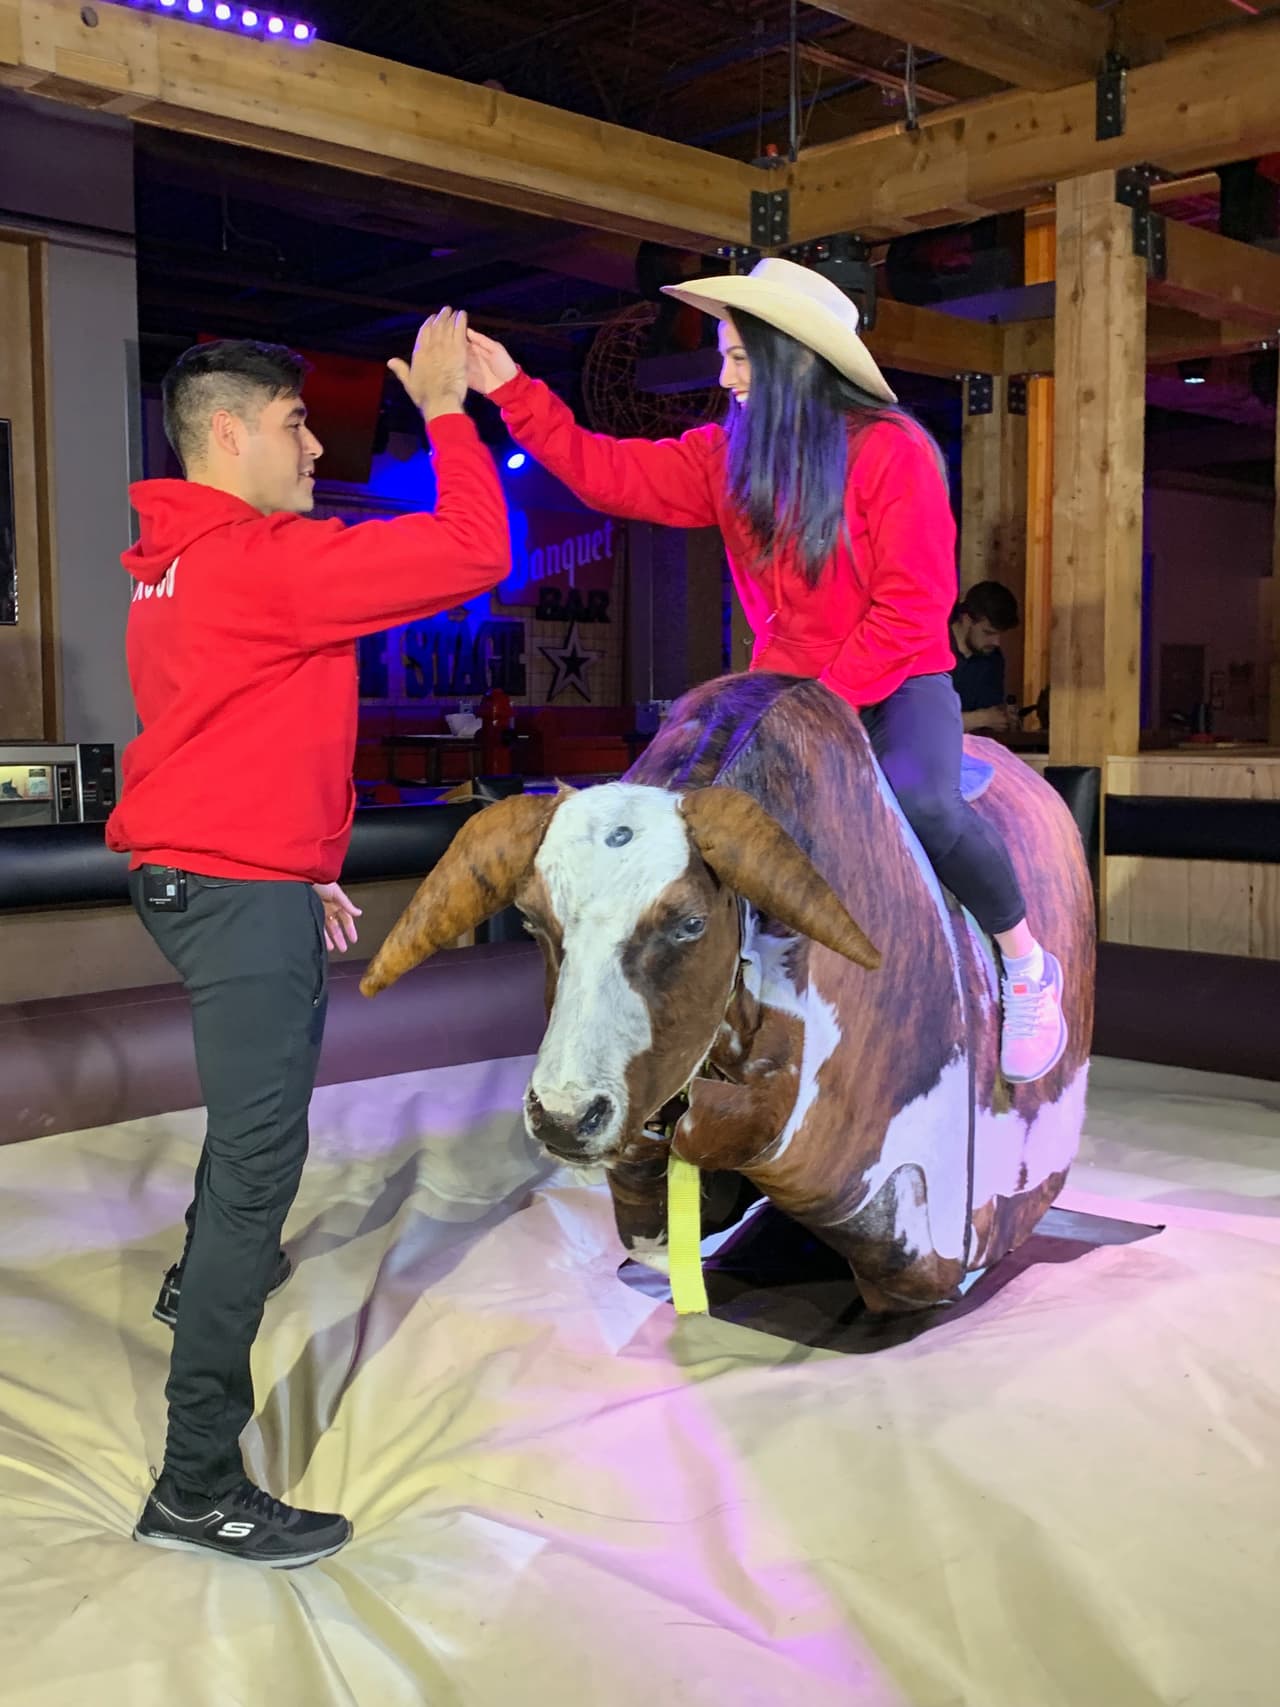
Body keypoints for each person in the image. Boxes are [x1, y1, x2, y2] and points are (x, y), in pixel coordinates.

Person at [106, 311, 511, 1567]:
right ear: (229, 434)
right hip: (233, 895)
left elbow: (237, 722)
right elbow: (475, 546)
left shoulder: (172, 565)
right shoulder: (261, 561)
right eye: (295, 424)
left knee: (244, 1138)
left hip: (203, 875)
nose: (318, 446)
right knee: (257, 1172)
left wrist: (304, 862)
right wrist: (444, 412)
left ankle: (194, 1282)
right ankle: (194, 1485)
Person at [464, 257, 1067, 1087]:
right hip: (782, 692)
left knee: (924, 799)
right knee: (692, 821)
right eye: (725, 355)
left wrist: (821, 709)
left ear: (795, 359)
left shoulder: (892, 452)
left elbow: (911, 607)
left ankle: (1026, 962)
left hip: (896, 680)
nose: (725, 376)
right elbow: (610, 472)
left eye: (741, 357)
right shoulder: (727, 457)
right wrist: (513, 391)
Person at [950, 580, 1021, 734]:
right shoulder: (933, 650)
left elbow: (991, 716)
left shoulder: (993, 659)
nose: (996, 642)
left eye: (1000, 634)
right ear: (967, 619)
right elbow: (925, 722)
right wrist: (981, 718)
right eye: (988, 633)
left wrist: (1003, 718)